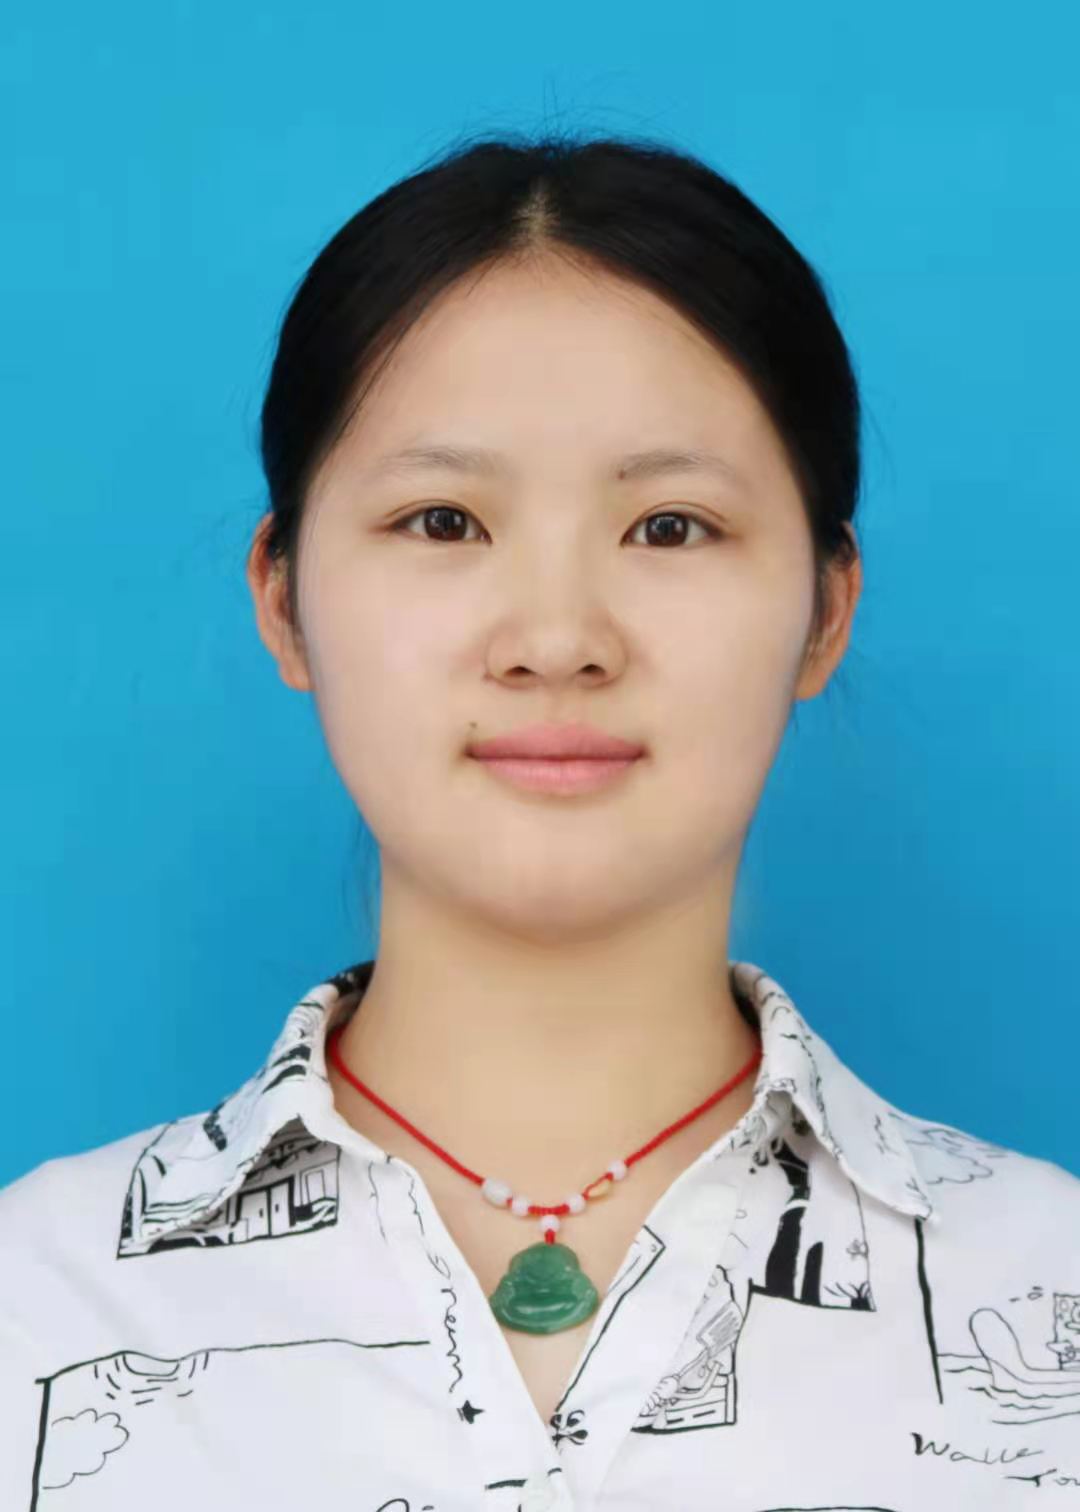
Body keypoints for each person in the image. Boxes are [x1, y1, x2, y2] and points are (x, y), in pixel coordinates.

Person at [2, 129, 1078, 1512]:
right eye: (443, 522)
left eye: (671, 526)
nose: (558, 639)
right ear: (283, 600)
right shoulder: (36, 1304)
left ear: (825, 609)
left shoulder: (1044, 1289)